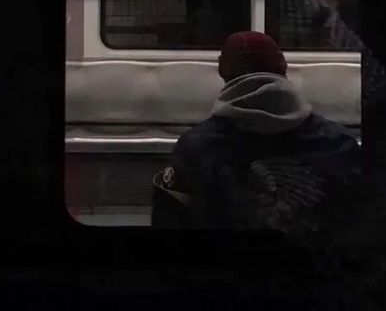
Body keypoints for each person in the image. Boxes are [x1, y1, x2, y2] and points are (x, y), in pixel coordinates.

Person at [152, 31, 360, 234]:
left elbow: (168, 220)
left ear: (223, 71)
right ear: (283, 67)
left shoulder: (195, 149)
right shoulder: (339, 144)